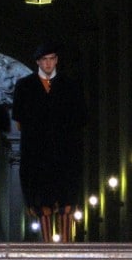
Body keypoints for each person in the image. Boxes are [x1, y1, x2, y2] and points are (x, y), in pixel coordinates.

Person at [12, 42, 87, 242]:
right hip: (37, 154)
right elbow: (19, 120)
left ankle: (66, 244)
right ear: (38, 61)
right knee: (41, 199)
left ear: (56, 60)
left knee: (66, 198)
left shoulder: (70, 85)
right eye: (44, 59)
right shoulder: (25, 86)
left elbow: (81, 118)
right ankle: (46, 245)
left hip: (65, 152)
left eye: (52, 59)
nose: (48, 63)